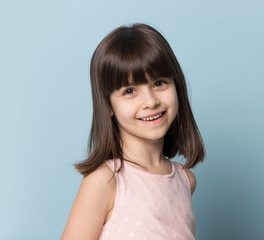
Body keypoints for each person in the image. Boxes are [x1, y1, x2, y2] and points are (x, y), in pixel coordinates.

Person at [61, 23, 205, 240]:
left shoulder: (185, 181)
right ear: (108, 105)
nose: (150, 101)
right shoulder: (105, 181)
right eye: (129, 91)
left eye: (159, 83)